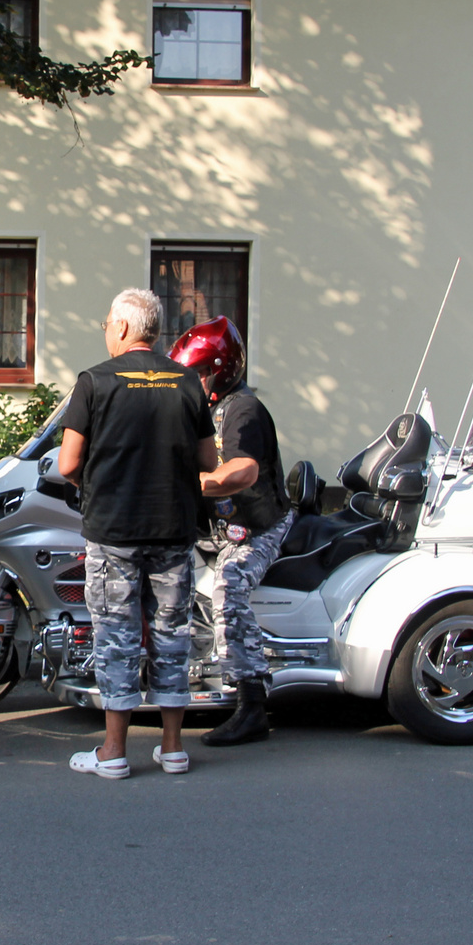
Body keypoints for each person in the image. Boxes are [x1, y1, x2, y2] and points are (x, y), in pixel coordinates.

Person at [58, 288, 216, 779]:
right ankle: (172, 749)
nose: (105, 329)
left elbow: (67, 463)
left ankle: (114, 751)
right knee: (172, 635)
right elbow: (209, 461)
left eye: (107, 322)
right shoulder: (188, 381)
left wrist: (100, 482)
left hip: (114, 531)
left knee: (117, 637)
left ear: (124, 328)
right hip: (173, 527)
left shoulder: (94, 382)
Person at [169, 316, 294, 747]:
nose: (189, 381)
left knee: (230, 583)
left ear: (217, 370)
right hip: (219, 526)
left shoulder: (242, 411)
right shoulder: (201, 410)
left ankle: (252, 703)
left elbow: (244, 469)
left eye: (195, 373)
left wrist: (195, 482)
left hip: (258, 526)